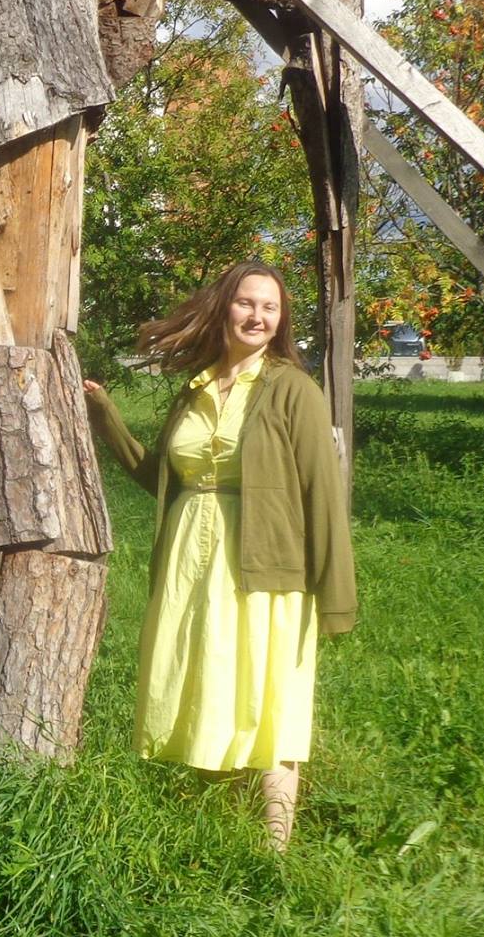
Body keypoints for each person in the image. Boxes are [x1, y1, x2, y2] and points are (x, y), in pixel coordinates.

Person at [84, 260, 356, 850]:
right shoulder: (196, 387)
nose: (257, 316)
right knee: (202, 674)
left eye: (270, 307)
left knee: (268, 690)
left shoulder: (292, 389)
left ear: (280, 321)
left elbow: (324, 496)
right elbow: (162, 475)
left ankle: (275, 842)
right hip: (191, 558)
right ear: (223, 308)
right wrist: (105, 417)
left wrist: (336, 597)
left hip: (265, 562)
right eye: (246, 303)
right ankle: (200, 819)